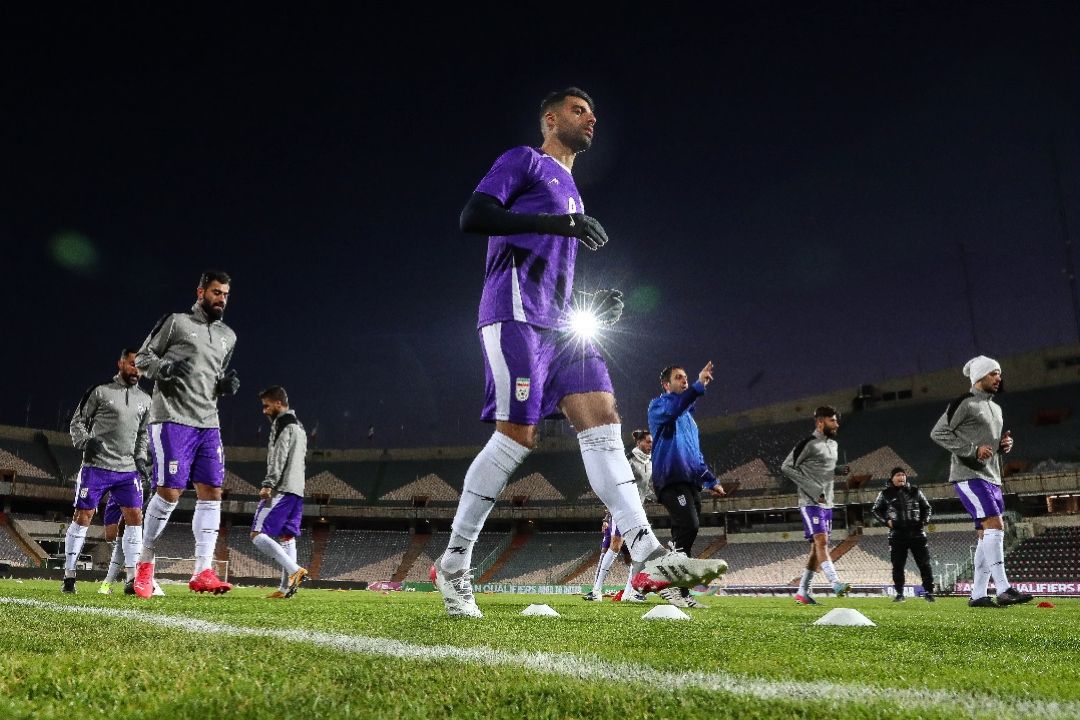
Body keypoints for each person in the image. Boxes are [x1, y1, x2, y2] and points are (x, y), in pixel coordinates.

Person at [432, 87, 727, 618]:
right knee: (516, 437)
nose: (591, 118)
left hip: (563, 327)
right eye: (578, 110)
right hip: (514, 314)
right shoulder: (524, 160)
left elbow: (553, 268)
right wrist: (555, 223)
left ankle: (648, 553)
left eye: (593, 112)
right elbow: (472, 217)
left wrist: (592, 303)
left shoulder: (573, 191)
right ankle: (454, 563)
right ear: (550, 119)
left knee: (605, 422)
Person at [134, 270, 240, 595]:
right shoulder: (176, 323)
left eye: (225, 294)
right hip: (172, 418)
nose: (221, 299)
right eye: (216, 292)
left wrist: (223, 386)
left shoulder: (228, 336)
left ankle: (202, 571)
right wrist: (164, 368)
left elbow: (213, 376)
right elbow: (142, 359)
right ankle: (144, 566)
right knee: (170, 492)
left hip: (208, 423)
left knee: (212, 492)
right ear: (200, 292)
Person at [930, 355, 1033, 607]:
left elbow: (990, 445)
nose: (999, 378)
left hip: (992, 476)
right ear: (979, 377)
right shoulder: (964, 402)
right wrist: (972, 450)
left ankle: (977, 594)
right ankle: (1004, 589)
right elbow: (938, 432)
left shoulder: (996, 408)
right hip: (969, 474)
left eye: (999, 373)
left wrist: (1003, 445)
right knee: (995, 525)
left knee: (985, 534)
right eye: (993, 373)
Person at [65, 349, 152, 597]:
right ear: (121, 363)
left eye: (141, 367)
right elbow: (77, 422)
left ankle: (132, 578)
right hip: (96, 466)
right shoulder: (100, 391)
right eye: (133, 364)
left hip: (127, 470)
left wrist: (140, 459)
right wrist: (85, 441)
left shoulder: (145, 400)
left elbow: (143, 434)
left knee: (135, 517)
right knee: (83, 516)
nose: (137, 370)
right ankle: (69, 575)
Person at [648, 364, 726, 609]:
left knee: (685, 537)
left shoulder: (690, 421)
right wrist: (698, 386)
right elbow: (675, 407)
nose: (684, 381)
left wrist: (711, 480)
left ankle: (680, 592)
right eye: (678, 378)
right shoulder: (659, 406)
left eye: (686, 378)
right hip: (671, 480)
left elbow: (696, 456)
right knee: (688, 526)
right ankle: (667, 580)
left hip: (691, 482)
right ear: (666, 385)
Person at [782, 406, 851, 605]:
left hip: (827, 502)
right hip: (810, 501)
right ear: (820, 422)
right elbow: (786, 467)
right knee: (822, 541)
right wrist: (813, 489)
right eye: (832, 420)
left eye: (836, 420)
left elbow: (822, 468)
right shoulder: (807, 444)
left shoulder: (833, 445)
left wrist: (838, 470)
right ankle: (835, 583)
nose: (837, 424)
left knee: (816, 548)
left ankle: (802, 592)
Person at [250, 385, 309, 599]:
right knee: (287, 537)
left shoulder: (282, 424)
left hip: (281, 488)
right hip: (297, 490)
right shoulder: (299, 426)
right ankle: (285, 589)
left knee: (257, 533)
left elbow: (279, 457)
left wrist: (269, 483)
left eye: (267, 406)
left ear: (278, 403)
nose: (264, 410)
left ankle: (295, 570)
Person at [586, 430, 654, 603]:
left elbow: (645, 489)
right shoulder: (628, 460)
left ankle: (628, 594)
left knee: (639, 551)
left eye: (651, 442)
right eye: (648, 442)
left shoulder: (649, 463)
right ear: (639, 442)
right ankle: (596, 591)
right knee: (615, 545)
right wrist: (607, 516)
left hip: (638, 512)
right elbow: (615, 485)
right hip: (622, 509)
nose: (650, 445)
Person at [871, 467, 935, 602]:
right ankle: (900, 594)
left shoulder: (916, 491)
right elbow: (875, 510)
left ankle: (929, 592)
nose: (901, 477)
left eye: (903, 475)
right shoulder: (885, 494)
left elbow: (927, 508)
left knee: (924, 564)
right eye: (898, 475)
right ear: (892, 478)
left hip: (917, 534)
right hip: (897, 535)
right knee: (898, 566)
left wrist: (925, 520)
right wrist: (886, 521)